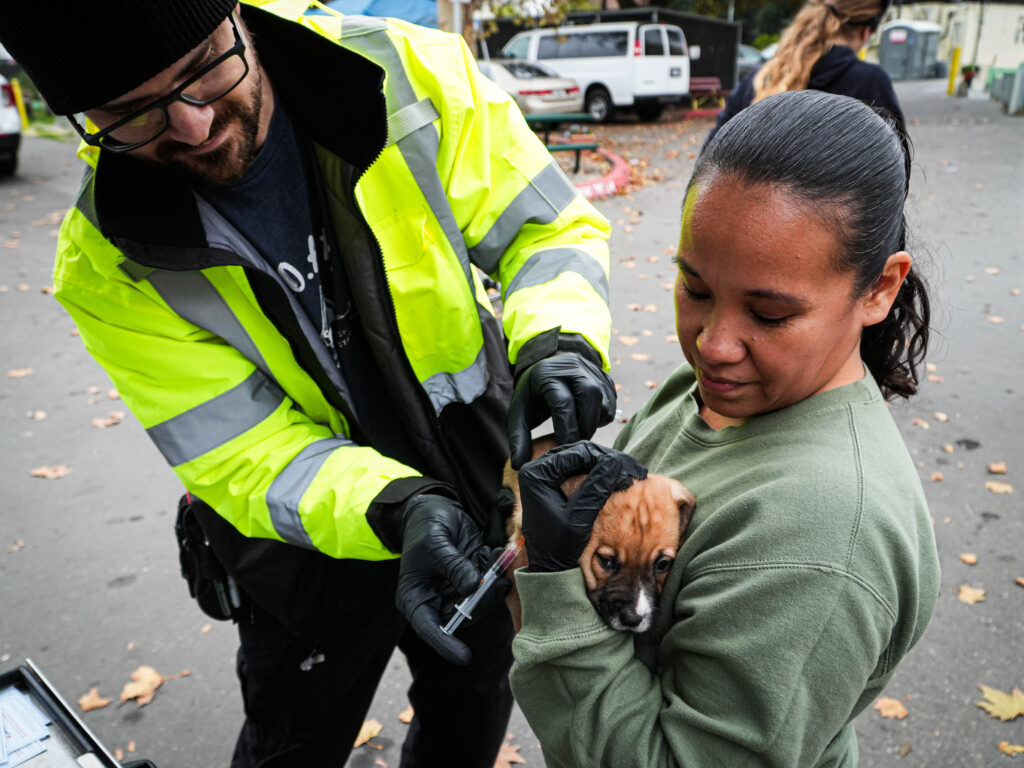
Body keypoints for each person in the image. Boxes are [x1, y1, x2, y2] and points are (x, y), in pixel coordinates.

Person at [0, 1, 617, 765]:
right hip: (302, 562)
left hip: (481, 487)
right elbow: (242, 452)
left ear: (237, 14)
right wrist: (396, 509)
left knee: (472, 708)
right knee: (293, 742)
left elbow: (544, 227)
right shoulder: (107, 261)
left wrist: (560, 343)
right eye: (132, 114)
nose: (191, 125)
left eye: (203, 70)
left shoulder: (408, 76)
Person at [509, 90, 940, 767]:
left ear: (880, 289)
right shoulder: (727, 393)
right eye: (696, 289)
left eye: (768, 314)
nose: (712, 344)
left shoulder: (819, 535)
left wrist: (550, 587)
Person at [707, 0, 902, 144]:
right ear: (865, 33)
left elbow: (707, 163)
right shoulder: (870, 83)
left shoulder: (759, 78)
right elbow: (894, 173)